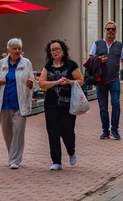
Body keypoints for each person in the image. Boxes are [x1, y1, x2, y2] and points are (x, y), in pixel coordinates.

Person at [38, 40, 84, 171]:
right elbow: (41, 83)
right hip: (51, 105)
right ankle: (56, 161)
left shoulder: (71, 65)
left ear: (63, 50)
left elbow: (81, 81)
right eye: (53, 50)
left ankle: (71, 151)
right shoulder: (48, 67)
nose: (55, 52)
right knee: (53, 132)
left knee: (67, 131)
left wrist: (69, 82)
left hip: (68, 104)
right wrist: (56, 82)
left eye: (57, 49)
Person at [0, 38, 36, 169]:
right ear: (8, 50)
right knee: (7, 133)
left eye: (19, 48)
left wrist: (31, 84)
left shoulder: (26, 63)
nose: (18, 51)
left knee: (18, 132)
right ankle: (12, 155)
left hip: (20, 102)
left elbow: (33, 81)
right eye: (14, 48)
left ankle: (14, 160)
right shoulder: (2, 63)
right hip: (5, 102)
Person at [89, 21, 123, 140]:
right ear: (105, 30)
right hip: (100, 80)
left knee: (116, 104)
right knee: (103, 107)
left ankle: (115, 130)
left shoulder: (119, 45)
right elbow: (90, 59)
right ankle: (105, 131)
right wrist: (98, 60)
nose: (110, 31)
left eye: (113, 29)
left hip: (114, 79)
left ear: (116, 32)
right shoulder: (97, 44)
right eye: (108, 29)